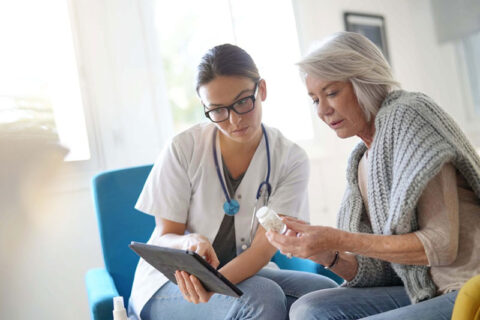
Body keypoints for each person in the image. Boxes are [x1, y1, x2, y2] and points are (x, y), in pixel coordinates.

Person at [266, 31, 480, 320]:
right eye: (315, 99)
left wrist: (338, 238)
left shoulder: (409, 115)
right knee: (308, 309)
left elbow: (440, 246)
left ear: (364, 82)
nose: (323, 110)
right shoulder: (362, 160)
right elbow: (382, 271)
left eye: (331, 93)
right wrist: (326, 252)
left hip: (466, 287)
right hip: (422, 289)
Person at [127, 43, 338, 320]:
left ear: (261, 90)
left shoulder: (290, 158)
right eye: (217, 110)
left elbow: (264, 248)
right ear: (204, 107)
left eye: (242, 103)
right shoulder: (183, 148)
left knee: (325, 293)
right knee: (262, 298)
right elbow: (166, 235)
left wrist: (214, 283)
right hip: (172, 283)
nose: (234, 120)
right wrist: (190, 241)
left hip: (239, 273)